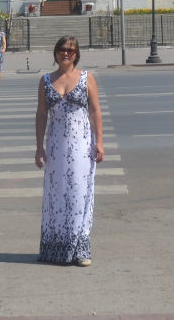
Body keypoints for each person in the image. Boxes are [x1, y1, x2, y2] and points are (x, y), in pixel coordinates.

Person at [34, 36, 104, 267]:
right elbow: (42, 114)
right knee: (56, 196)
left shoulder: (86, 78)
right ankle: (55, 247)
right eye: (62, 49)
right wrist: (39, 147)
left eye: (71, 50)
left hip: (81, 145)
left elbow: (95, 111)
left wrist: (100, 142)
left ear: (77, 54)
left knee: (79, 194)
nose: (66, 53)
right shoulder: (45, 81)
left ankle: (80, 249)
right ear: (55, 53)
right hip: (56, 145)